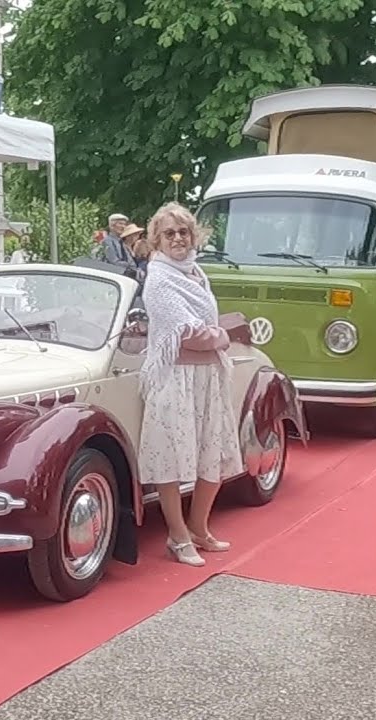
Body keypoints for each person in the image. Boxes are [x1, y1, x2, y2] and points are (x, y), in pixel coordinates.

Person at [138, 202, 244, 567]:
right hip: (174, 378)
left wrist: (213, 336)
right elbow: (189, 334)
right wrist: (223, 337)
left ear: (193, 235)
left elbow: (203, 329)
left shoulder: (196, 273)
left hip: (207, 377)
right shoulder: (158, 278)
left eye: (184, 231)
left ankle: (199, 528)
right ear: (157, 240)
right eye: (170, 233)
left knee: (211, 453)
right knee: (170, 457)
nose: (178, 238)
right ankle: (177, 535)